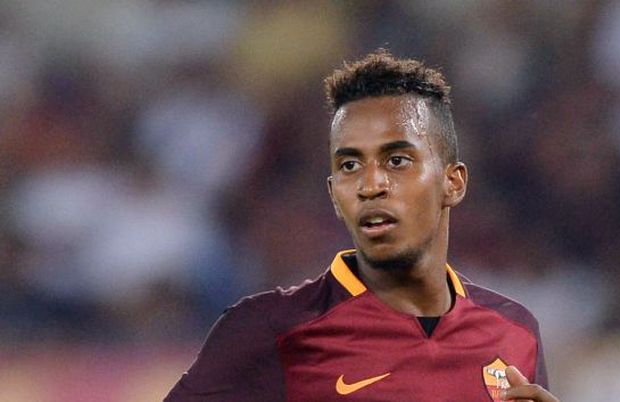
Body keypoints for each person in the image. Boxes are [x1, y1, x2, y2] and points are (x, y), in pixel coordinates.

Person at [165, 50, 559, 402]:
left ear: (452, 183)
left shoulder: (514, 331)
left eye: (397, 161)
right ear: (334, 194)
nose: (371, 185)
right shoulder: (270, 329)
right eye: (350, 165)